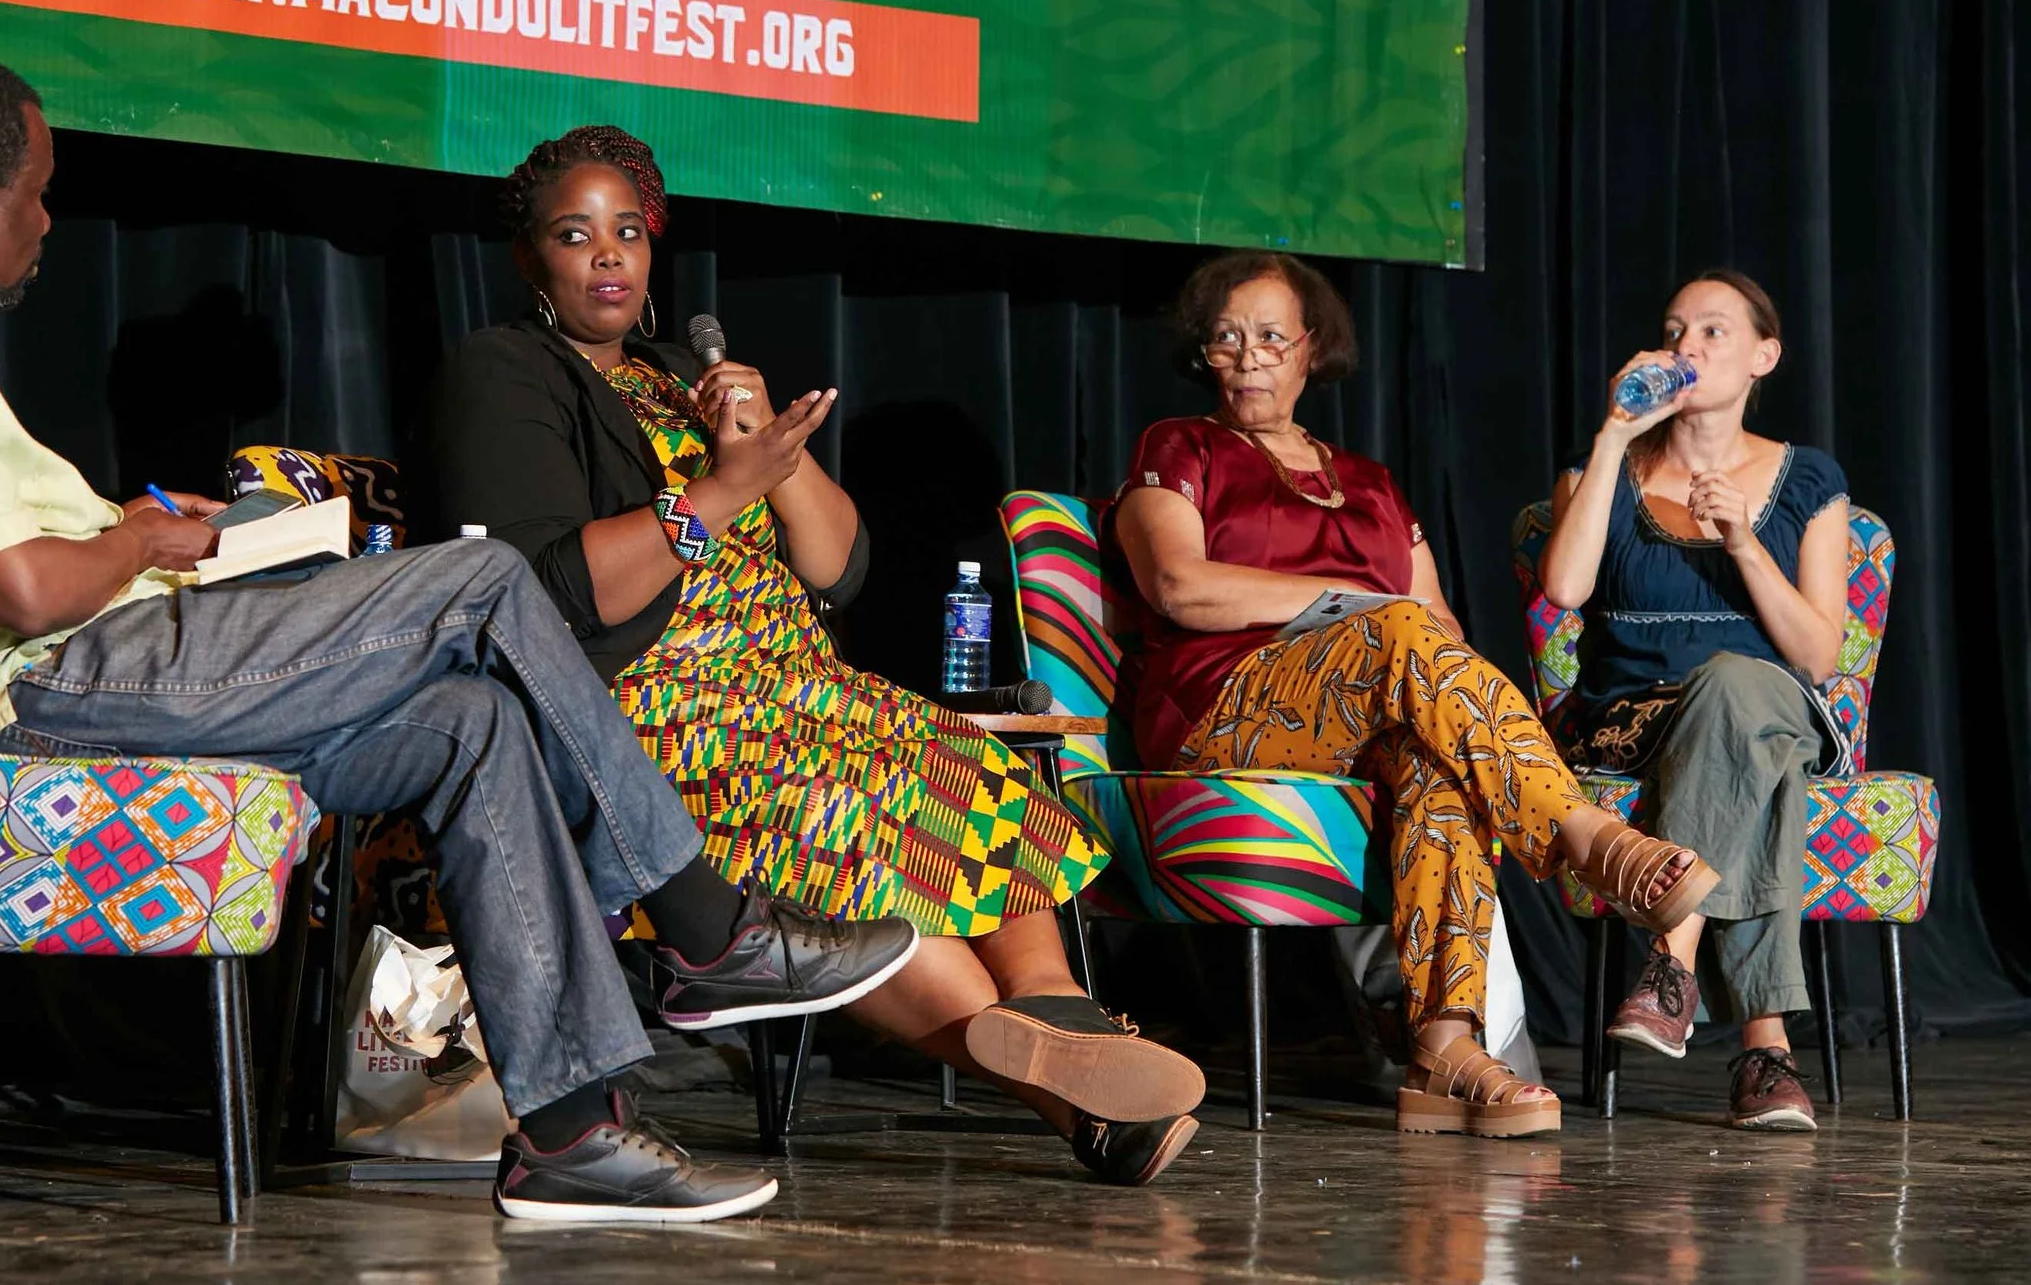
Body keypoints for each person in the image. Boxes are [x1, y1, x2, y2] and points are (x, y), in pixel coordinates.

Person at [0, 48, 923, 1223]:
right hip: (32, 691)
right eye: (36, 189)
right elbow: (24, 593)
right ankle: (704, 926)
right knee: (482, 579)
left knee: (472, 724)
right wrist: (139, 544)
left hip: (92, 658)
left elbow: (12, 555)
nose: (44, 216)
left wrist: (129, 529)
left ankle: (570, 1131)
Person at [427, 126, 1209, 1187]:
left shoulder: (678, 378)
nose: (608, 255)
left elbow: (838, 569)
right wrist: (723, 487)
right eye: (575, 235)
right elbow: (544, 592)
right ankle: (1072, 1094)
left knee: (954, 758)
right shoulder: (505, 370)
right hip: (662, 715)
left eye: (627, 232)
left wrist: (768, 449)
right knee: (859, 845)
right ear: (531, 259)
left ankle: (1051, 1017)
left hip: (799, 686)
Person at [1108, 250, 1723, 1138]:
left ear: (1312, 348)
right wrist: (1361, 612)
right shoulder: (1181, 445)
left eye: (1271, 336)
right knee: (1398, 633)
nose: (1247, 355)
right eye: (1226, 338)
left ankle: (1444, 1049)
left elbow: (1442, 634)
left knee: (1440, 764)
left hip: (1365, 716)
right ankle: (1590, 838)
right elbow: (1177, 585)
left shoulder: (1373, 485)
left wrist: (1392, 625)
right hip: (1225, 710)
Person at [1535, 270, 1850, 1131]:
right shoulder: (1605, 467)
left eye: (1714, 331)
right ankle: (1766, 1049)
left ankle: (1671, 955)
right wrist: (1612, 434)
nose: (1689, 346)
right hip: (1632, 717)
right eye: (1677, 330)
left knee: (1742, 690)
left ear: (1764, 355)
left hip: (1770, 698)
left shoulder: (1808, 479)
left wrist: (1745, 544)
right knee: (1766, 761)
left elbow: (1819, 654)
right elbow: (1564, 587)